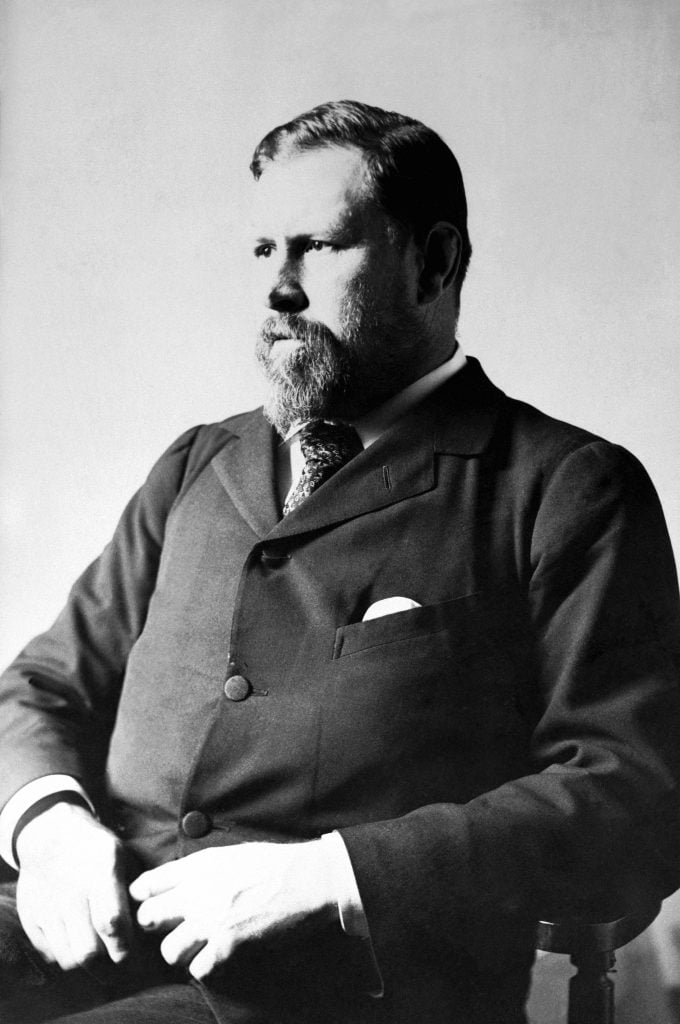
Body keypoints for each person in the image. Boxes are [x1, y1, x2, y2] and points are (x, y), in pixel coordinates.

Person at [0, 99, 679, 1024]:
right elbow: (43, 684)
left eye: (318, 248)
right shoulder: (198, 464)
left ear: (434, 263)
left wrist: (331, 877)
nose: (278, 286)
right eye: (261, 252)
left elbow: (634, 793)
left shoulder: (564, 486)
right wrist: (50, 831)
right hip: (87, 937)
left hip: (326, 993)